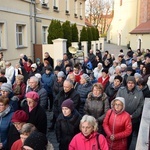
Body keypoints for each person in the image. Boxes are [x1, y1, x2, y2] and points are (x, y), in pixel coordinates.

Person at [116, 76, 144, 149]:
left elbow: (140, 106)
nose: (130, 84)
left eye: (132, 83)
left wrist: (133, 116)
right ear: (126, 83)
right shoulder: (121, 90)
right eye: (129, 83)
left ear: (134, 83)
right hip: (120, 118)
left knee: (128, 137)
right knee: (118, 134)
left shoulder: (139, 93)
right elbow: (117, 102)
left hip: (132, 119)